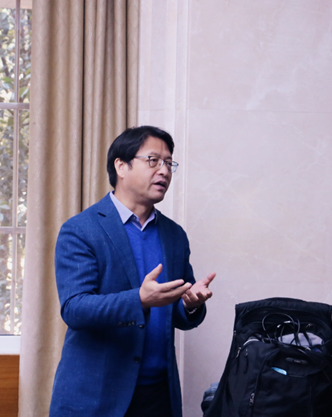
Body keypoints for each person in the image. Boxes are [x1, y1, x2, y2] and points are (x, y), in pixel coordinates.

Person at [49, 125, 216, 417]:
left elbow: (177, 312)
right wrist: (139, 299)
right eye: (153, 160)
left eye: (169, 163)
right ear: (121, 166)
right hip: (97, 397)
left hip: (158, 396)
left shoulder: (174, 235)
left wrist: (190, 305)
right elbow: (75, 309)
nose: (164, 171)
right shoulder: (81, 230)